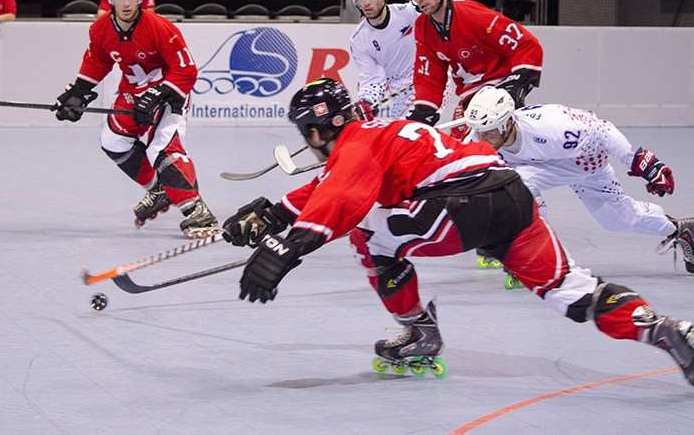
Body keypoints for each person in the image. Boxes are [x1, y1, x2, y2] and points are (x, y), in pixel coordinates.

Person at [221, 78, 694, 384]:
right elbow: (329, 187)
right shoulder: (376, 133)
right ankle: (665, 330)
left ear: (321, 128)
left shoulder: (356, 145)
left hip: (464, 206)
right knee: (571, 290)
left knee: (370, 235)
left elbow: (344, 201)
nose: (309, 142)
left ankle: (418, 333)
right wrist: (272, 212)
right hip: (513, 197)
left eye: (308, 132)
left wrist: (287, 245)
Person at [54, 0, 218, 239]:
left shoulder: (160, 28)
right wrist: (78, 93)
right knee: (113, 141)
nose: (126, 2)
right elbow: (97, 61)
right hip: (132, 90)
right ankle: (159, 188)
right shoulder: (100, 29)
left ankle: (196, 210)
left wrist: (158, 95)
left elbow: (186, 70)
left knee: (161, 148)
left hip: (169, 90)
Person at [464, 86, 692, 272]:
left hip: (585, 160)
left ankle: (682, 230)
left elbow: (603, 130)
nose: (481, 138)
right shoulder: (481, 135)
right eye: (478, 131)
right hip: (540, 164)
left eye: (489, 132)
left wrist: (643, 163)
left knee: (616, 219)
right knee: (516, 181)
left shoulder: (550, 128)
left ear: (506, 124)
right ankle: (535, 253)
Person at [405, 0, 543, 139]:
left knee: (491, 143)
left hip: (498, 87)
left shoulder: (472, 15)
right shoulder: (422, 27)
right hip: (470, 95)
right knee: (459, 145)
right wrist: (424, 110)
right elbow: (429, 77)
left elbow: (526, 44)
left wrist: (517, 82)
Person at [348, 0, 463, 122]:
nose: (366, 3)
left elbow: (443, 1)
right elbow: (372, 79)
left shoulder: (409, 12)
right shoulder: (358, 39)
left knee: (420, 131)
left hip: (430, 81)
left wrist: (469, 9)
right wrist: (366, 101)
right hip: (397, 95)